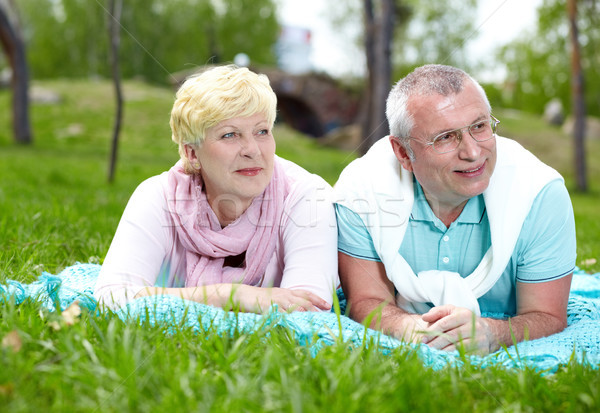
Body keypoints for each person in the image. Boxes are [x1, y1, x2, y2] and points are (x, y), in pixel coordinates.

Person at [334, 64, 576, 354]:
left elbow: (547, 316)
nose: (473, 153)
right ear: (403, 153)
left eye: (479, 126)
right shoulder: (361, 192)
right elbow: (366, 301)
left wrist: (493, 333)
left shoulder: (539, 193)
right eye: (445, 137)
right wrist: (410, 328)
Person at [95, 65, 338, 313]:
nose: (252, 150)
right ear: (192, 153)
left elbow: (308, 312)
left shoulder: (308, 197)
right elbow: (112, 297)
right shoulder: (159, 196)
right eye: (230, 135)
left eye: (262, 131)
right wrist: (228, 295)